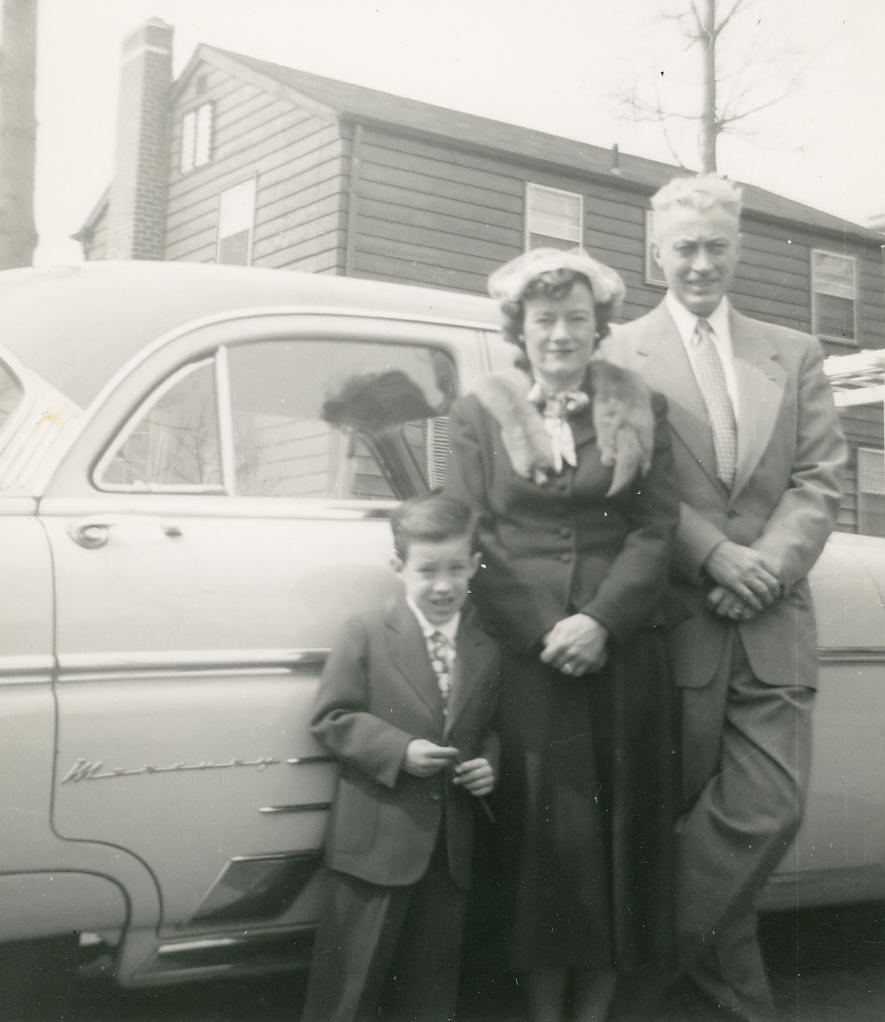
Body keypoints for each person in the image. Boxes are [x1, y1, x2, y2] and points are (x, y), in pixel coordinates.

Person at [604, 174, 847, 1022]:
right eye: (684, 247)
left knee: (765, 809)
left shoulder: (793, 351)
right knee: (699, 837)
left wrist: (766, 566)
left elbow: (820, 478)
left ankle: (617, 985)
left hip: (771, 622)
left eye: (715, 246)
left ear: (737, 249)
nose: (700, 263)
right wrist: (714, 557)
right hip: (674, 627)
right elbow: (627, 483)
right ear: (654, 254)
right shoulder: (617, 354)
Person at [445, 247, 680, 1022]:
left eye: (576, 319)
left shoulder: (640, 405)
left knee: (620, 841)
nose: (560, 335)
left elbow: (655, 528)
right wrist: (548, 630)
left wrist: (601, 620)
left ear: (598, 326)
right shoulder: (481, 411)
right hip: (529, 660)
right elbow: (467, 531)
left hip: (621, 655)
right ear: (519, 325)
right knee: (544, 848)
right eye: (544, 320)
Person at [300, 492, 500, 1022]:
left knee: (431, 992)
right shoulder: (365, 633)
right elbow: (332, 718)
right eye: (427, 569)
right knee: (349, 987)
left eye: (457, 568)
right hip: (375, 846)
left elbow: (489, 727)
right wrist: (399, 749)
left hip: (448, 852)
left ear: (475, 565)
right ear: (398, 567)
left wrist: (488, 765)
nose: (443, 584)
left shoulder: (485, 644)